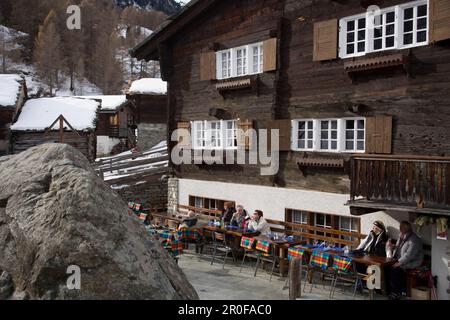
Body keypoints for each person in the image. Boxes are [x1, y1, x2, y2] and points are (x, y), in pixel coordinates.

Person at [386, 221, 424, 300]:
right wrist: (392, 246)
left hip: (412, 263)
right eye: (400, 227)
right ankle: (388, 290)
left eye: (401, 227)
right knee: (386, 267)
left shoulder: (414, 239)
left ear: (407, 229)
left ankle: (396, 293)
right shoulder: (401, 236)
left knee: (395, 270)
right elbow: (398, 248)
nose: (400, 229)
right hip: (400, 260)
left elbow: (409, 255)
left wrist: (399, 263)